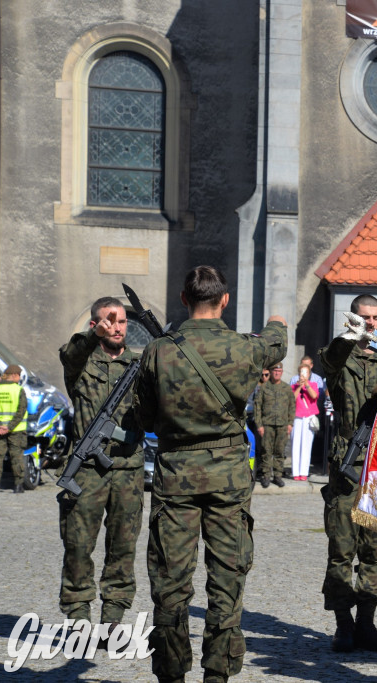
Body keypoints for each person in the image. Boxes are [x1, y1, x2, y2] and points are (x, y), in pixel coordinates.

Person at [135, 266, 287, 683]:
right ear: (225, 300)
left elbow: (145, 417)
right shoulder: (245, 349)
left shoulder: (158, 351)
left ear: (184, 300)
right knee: (227, 579)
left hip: (175, 478)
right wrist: (276, 321)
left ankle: (171, 674)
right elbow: (276, 342)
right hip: (228, 480)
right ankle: (217, 674)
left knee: (170, 582)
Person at [56, 298, 145, 637]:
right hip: (86, 471)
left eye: (122, 320)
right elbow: (71, 353)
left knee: (123, 546)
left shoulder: (139, 364)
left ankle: (113, 619)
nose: (118, 326)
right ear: (95, 324)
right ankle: (78, 613)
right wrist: (93, 336)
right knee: (78, 544)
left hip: (128, 468)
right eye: (109, 321)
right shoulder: (80, 364)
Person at [318, 294, 377, 653]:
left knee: (373, 550)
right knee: (342, 549)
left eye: (376, 318)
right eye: (365, 318)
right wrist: (350, 336)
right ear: (353, 319)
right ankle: (343, 625)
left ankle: (367, 623)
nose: (372, 324)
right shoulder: (339, 357)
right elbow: (329, 360)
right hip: (347, 465)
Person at [252, 363, 295, 488]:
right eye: (275, 370)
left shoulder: (287, 388)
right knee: (266, 451)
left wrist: (290, 423)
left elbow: (292, 406)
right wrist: (259, 425)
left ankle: (277, 476)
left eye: (279, 371)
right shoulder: (264, 388)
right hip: (267, 425)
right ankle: (266, 476)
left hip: (282, 425)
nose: (277, 373)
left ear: (282, 372)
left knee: (279, 451)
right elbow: (257, 407)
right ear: (271, 372)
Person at [0, 364, 28, 493]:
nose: (19, 378)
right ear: (14, 375)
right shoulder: (19, 390)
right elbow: (21, 411)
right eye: (19, 376)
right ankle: (18, 486)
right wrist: (9, 427)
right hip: (16, 430)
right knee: (17, 457)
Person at [291, 363, 320, 481]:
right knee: (296, 444)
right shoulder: (293, 386)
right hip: (297, 417)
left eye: (305, 372)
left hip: (309, 418)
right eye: (301, 372)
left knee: (306, 445)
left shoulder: (313, 384)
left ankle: (304, 471)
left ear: (308, 374)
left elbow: (314, 396)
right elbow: (292, 399)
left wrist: (306, 385)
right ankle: (295, 472)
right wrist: (299, 386)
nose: (303, 375)